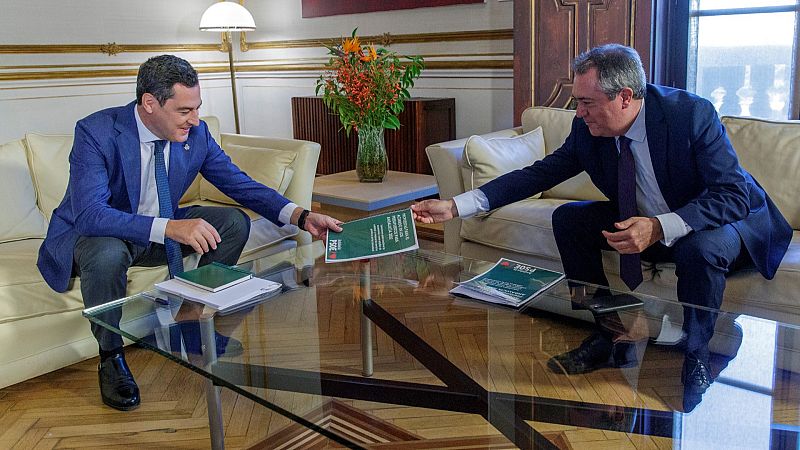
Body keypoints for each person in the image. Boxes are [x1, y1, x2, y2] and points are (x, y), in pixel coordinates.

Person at [412, 44, 792, 406]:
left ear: (624, 97)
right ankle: (609, 333)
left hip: (723, 219)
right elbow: (539, 174)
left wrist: (659, 227)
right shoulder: (587, 130)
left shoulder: (689, 114)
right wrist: (456, 205)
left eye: (587, 103)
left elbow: (732, 195)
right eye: (577, 102)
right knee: (570, 219)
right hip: (648, 216)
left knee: (699, 248)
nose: (579, 113)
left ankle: (698, 356)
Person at [36, 55, 342, 411]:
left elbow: (239, 184)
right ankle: (111, 356)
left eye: (197, 108)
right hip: (97, 236)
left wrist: (302, 216)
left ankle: (189, 322)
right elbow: (91, 216)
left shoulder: (195, 134)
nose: (195, 119)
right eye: (184, 110)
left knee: (233, 223)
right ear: (149, 103)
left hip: (153, 231)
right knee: (107, 253)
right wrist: (170, 227)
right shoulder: (97, 132)